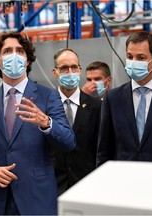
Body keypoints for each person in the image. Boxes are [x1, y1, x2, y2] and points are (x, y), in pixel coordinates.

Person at [0, 31, 75, 215]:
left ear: (27, 60)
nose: (14, 56)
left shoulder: (47, 96)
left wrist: (46, 123)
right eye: (8, 51)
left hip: (37, 199)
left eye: (20, 51)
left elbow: (69, 142)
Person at [96, 31, 152, 167]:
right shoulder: (112, 98)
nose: (133, 62)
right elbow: (104, 149)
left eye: (141, 58)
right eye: (130, 56)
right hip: (122, 180)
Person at [50, 49, 101, 196]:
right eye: (64, 68)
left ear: (80, 71)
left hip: (86, 185)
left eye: (74, 67)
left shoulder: (96, 107)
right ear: (55, 72)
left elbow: (100, 149)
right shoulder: (45, 105)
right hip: (53, 185)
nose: (70, 72)